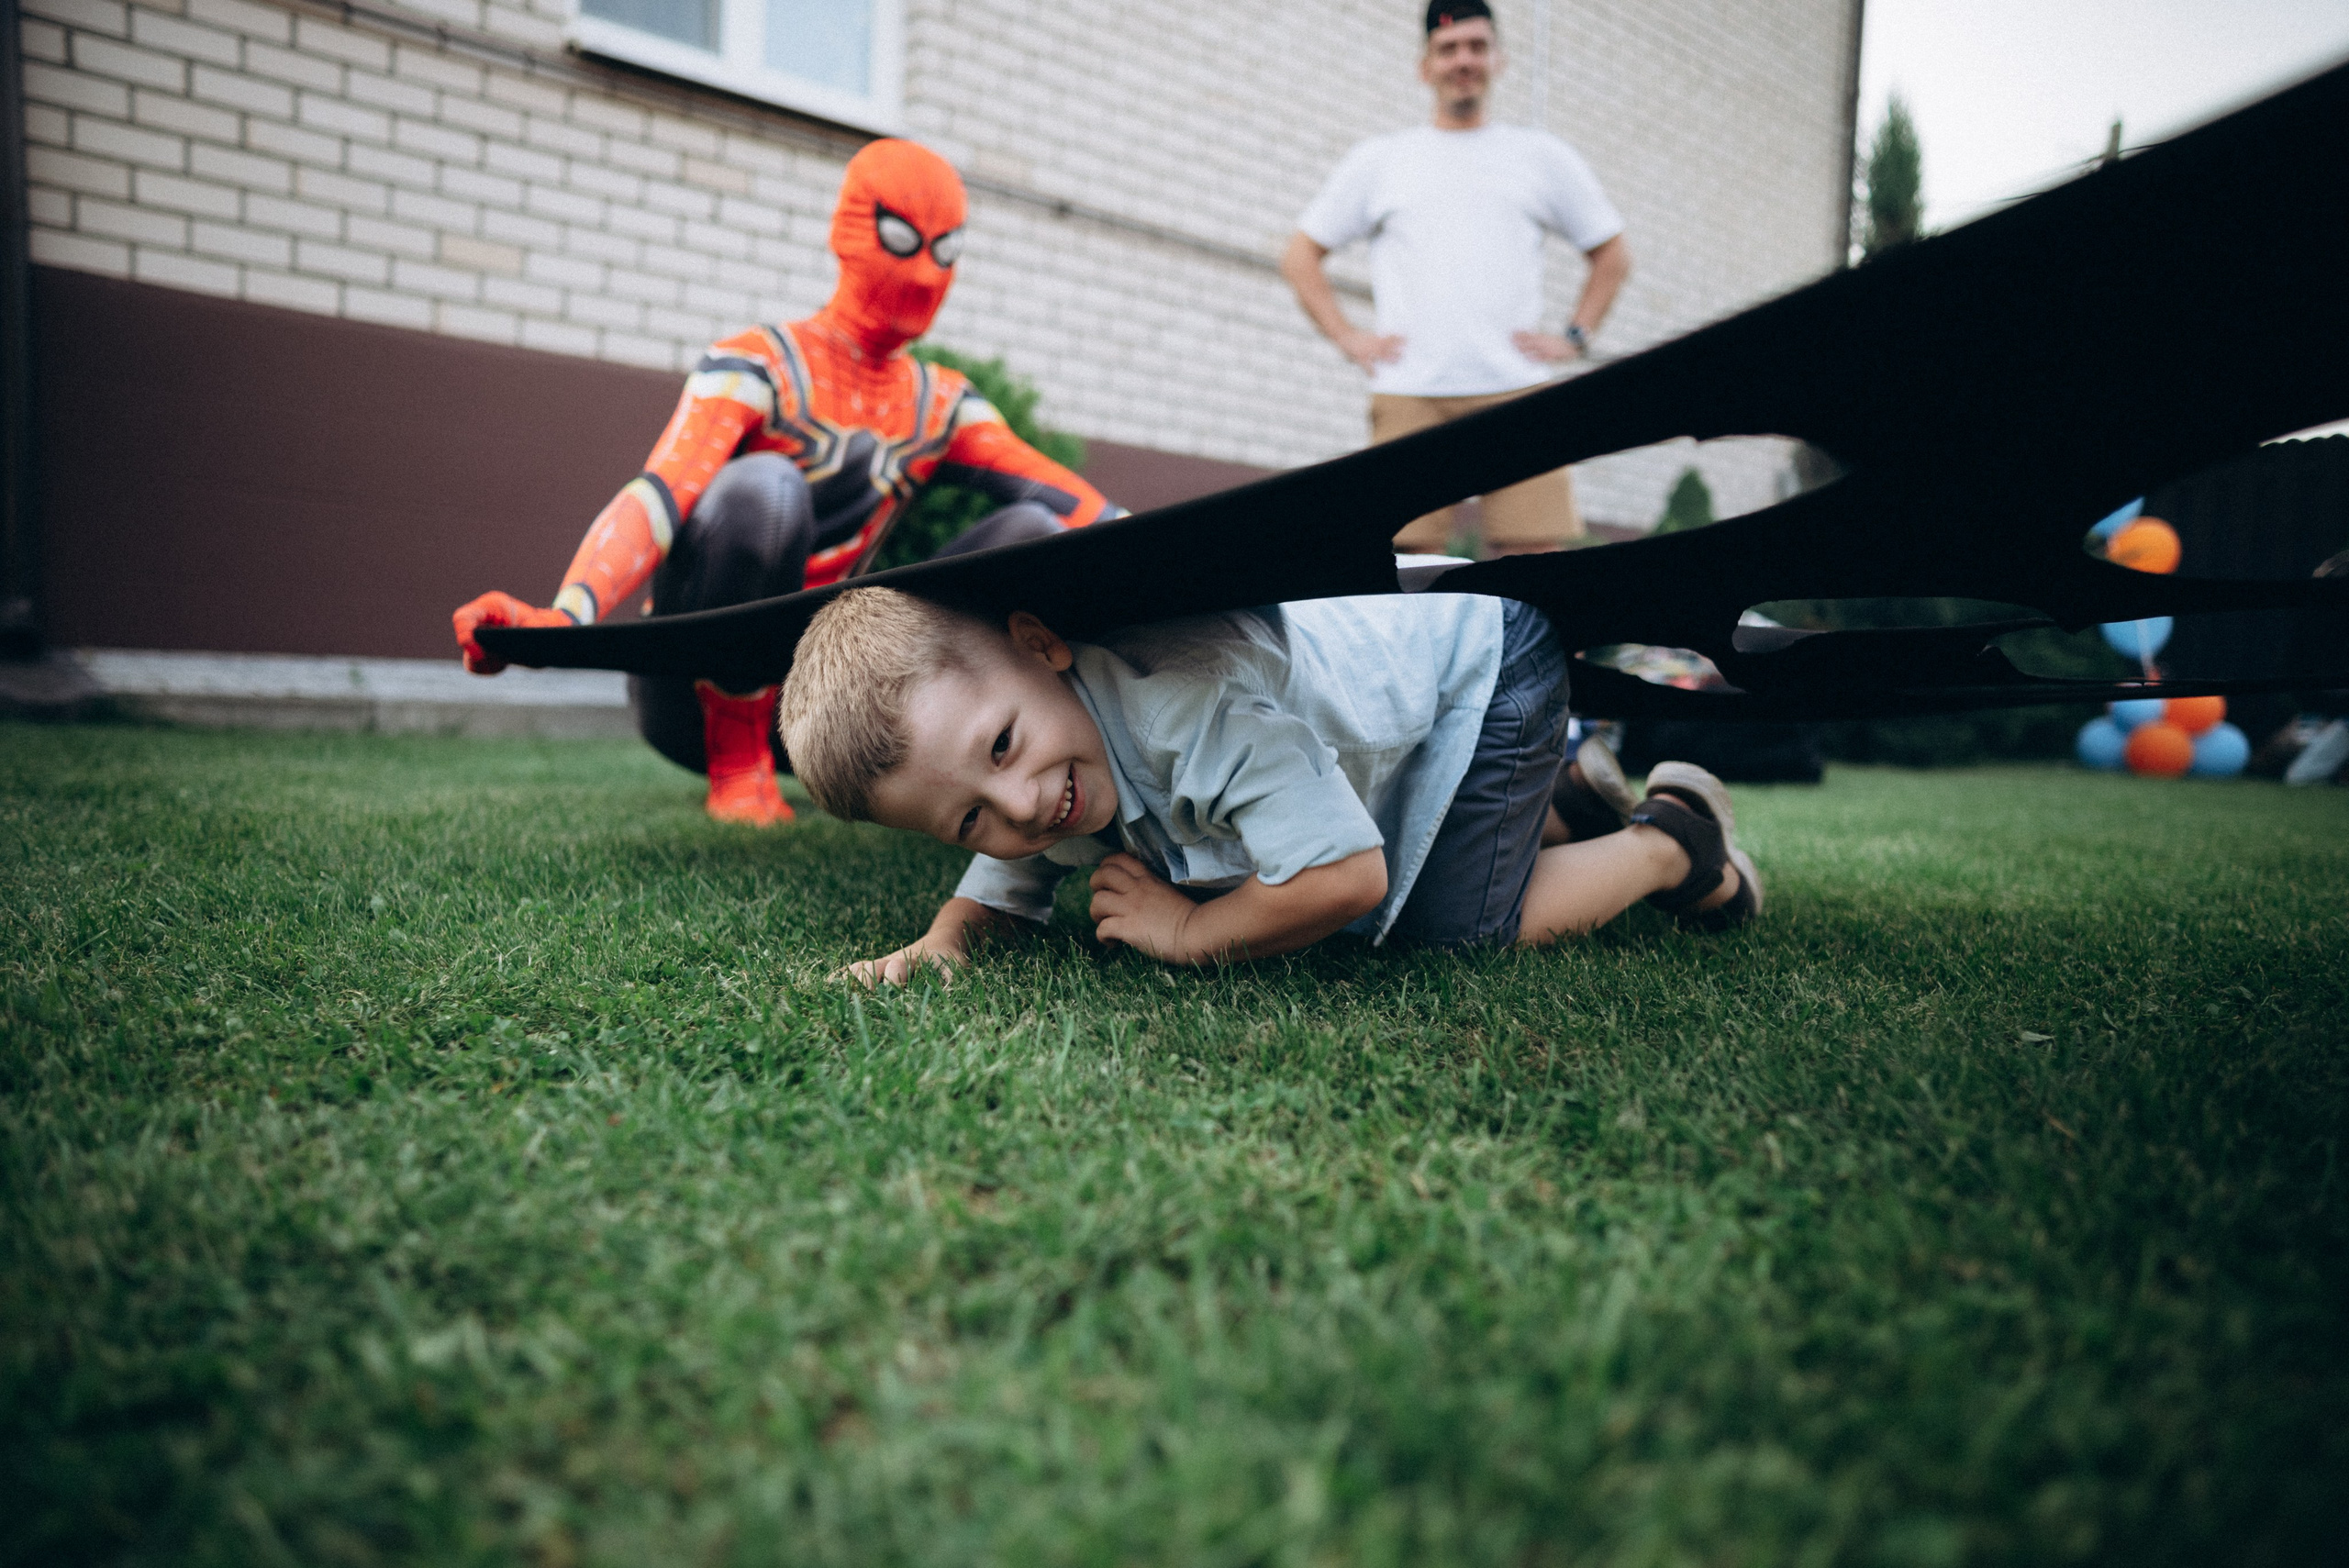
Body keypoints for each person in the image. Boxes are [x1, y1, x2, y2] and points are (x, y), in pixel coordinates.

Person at [451, 139, 1123, 826]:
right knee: (765, 489)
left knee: (1032, 531)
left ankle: (1027, 745)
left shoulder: (940, 403)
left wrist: (1169, 561)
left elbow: (1065, 500)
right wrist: (567, 616)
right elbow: (662, 492)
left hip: (833, 708)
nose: (925, 273)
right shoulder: (760, 363)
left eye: (945, 250)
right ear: (848, 231)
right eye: (900, 240)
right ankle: (735, 756)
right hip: (688, 692)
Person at [776, 585, 1760, 984]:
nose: (1022, 808)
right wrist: (945, 940)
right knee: (1415, 841)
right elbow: (1006, 883)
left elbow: (1344, 878)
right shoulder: (1049, 760)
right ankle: (1565, 806)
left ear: (1041, 646)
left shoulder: (1184, 713)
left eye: (1001, 747)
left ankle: (1672, 838)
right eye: (968, 821)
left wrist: (1189, 930)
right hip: (1392, 707)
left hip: (1484, 665)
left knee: (1448, 926)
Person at [1279, 0, 1631, 558]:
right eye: (1448, 49)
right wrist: (1349, 338)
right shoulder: (1382, 160)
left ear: (1498, 60)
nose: (1463, 60)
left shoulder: (1540, 156)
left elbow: (1612, 253)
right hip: (1412, 391)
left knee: (1535, 570)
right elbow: (1301, 256)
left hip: (1518, 392)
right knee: (1403, 566)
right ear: (1426, 67)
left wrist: (1575, 336)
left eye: (1476, 47)